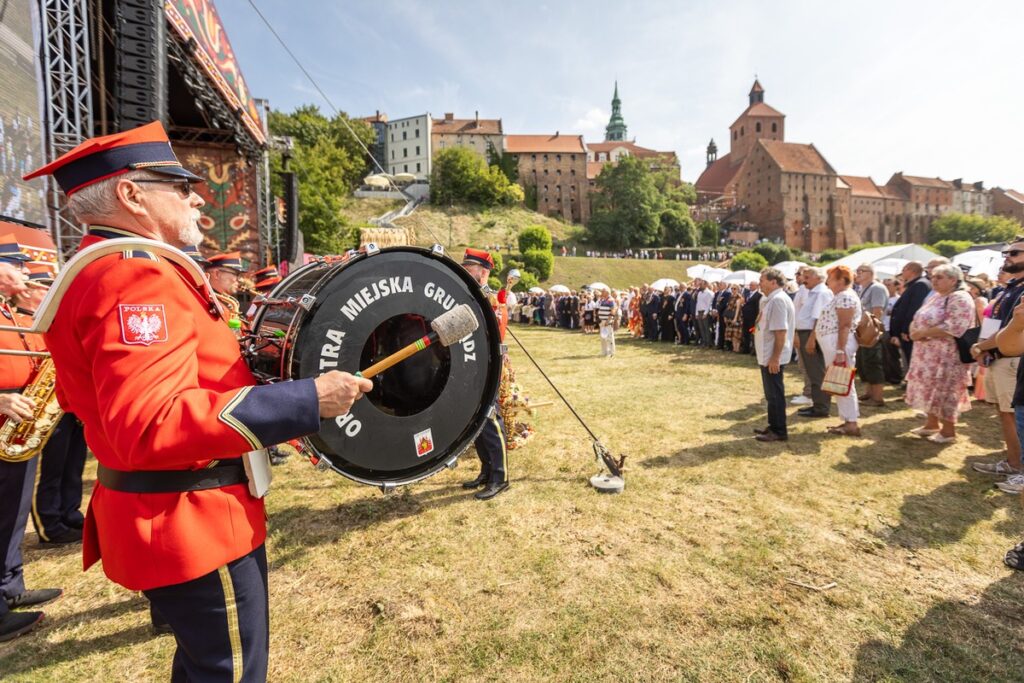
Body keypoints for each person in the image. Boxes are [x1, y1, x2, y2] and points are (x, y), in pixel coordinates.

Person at [23, 121, 372, 678]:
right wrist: (305, 400)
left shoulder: (109, 270)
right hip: (194, 522)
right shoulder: (134, 279)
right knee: (228, 671)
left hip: (167, 516)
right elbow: (151, 423)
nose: (195, 195)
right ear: (131, 194)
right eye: (177, 184)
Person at [0, 251, 62, 642]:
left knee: (12, 512)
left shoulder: (9, 308)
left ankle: (9, 586)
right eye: (14, 266)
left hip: (18, 419)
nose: (24, 272)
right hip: (4, 410)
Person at [20, 270, 88, 547]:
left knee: (73, 465)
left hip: (65, 403)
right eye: (43, 288)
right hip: (40, 405)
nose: (49, 292)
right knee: (51, 469)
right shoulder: (21, 320)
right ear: (27, 290)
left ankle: (69, 513)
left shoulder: (48, 320)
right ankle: (50, 524)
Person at [971, 240, 1024, 486]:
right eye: (1006, 253)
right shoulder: (1011, 288)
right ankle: (1013, 463)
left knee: (1014, 415)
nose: (1007, 257)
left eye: (1014, 253)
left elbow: (1013, 330)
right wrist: (985, 347)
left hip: (1014, 360)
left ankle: (1019, 470)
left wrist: (982, 346)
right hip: (999, 357)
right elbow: (997, 324)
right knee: (1005, 414)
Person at [458, 249, 510, 500]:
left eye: (470, 269)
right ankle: (486, 471)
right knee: (475, 420)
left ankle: (501, 477)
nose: (466, 272)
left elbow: (496, 333)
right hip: (470, 365)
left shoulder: (492, 299)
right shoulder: (469, 295)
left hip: (488, 365)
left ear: (484, 272)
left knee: (490, 418)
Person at [904, 264, 974, 443]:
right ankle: (931, 424)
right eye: (933, 276)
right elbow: (918, 317)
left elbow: (955, 326)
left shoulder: (959, 297)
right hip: (926, 354)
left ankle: (948, 431)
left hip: (946, 355)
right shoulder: (936, 296)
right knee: (929, 388)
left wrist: (923, 333)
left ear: (953, 280)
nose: (934, 280)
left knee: (945, 390)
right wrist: (914, 330)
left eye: (939, 277)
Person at [813, 265, 861, 436]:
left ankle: (851, 422)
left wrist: (840, 351)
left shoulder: (846, 296)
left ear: (841, 280)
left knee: (843, 382)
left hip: (838, 344)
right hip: (834, 343)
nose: (828, 282)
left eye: (831, 278)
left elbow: (845, 325)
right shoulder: (841, 296)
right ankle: (848, 420)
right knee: (839, 382)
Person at [753, 267, 796, 443]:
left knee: (775, 394)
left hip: (772, 356)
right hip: (767, 354)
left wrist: (775, 358)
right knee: (771, 394)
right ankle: (773, 425)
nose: (759, 283)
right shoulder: (770, 299)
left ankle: (779, 430)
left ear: (773, 282)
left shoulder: (778, 300)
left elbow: (780, 332)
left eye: (762, 280)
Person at [796, 267, 833, 419]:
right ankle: (817, 404)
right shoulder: (815, 292)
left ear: (818, 278)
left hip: (812, 334)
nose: (804, 280)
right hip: (807, 333)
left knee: (817, 372)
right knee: (813, 372)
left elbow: (820, 318)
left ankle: (822, 407)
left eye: (807, 277)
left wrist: (812, 338)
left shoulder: (822, 293)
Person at [889, 261, 932, 378]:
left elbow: (914, 309)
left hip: (910, 332)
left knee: (912, 360)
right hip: (908, 332)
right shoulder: (914, 284)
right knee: (909, 360)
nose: (902, 272)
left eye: (904, 269)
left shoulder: (920, 285)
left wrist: (906, 330)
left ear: (911, 270)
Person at [854, 264, 889, 407]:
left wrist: (871, 330)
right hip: (863, 332)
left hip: (872, 332)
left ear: (871, 273)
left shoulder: (877, 288)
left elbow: (877, 311)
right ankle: (869, 393)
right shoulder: (864, 289)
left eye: (861, 271)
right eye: (857, 271)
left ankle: (878, 398)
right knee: (865, 364)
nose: (858, 273)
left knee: (874, 364)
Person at [597, 288, 617, 357]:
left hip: (607, 321)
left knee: (609, 337)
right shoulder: (603, 300)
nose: (601, 292)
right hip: (602, 321)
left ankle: (610, 352)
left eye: (603, 291)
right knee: (603, 337)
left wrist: (608, 321)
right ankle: (604, 352)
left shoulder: (610, 300)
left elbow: (613, 311)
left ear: (607, 292)